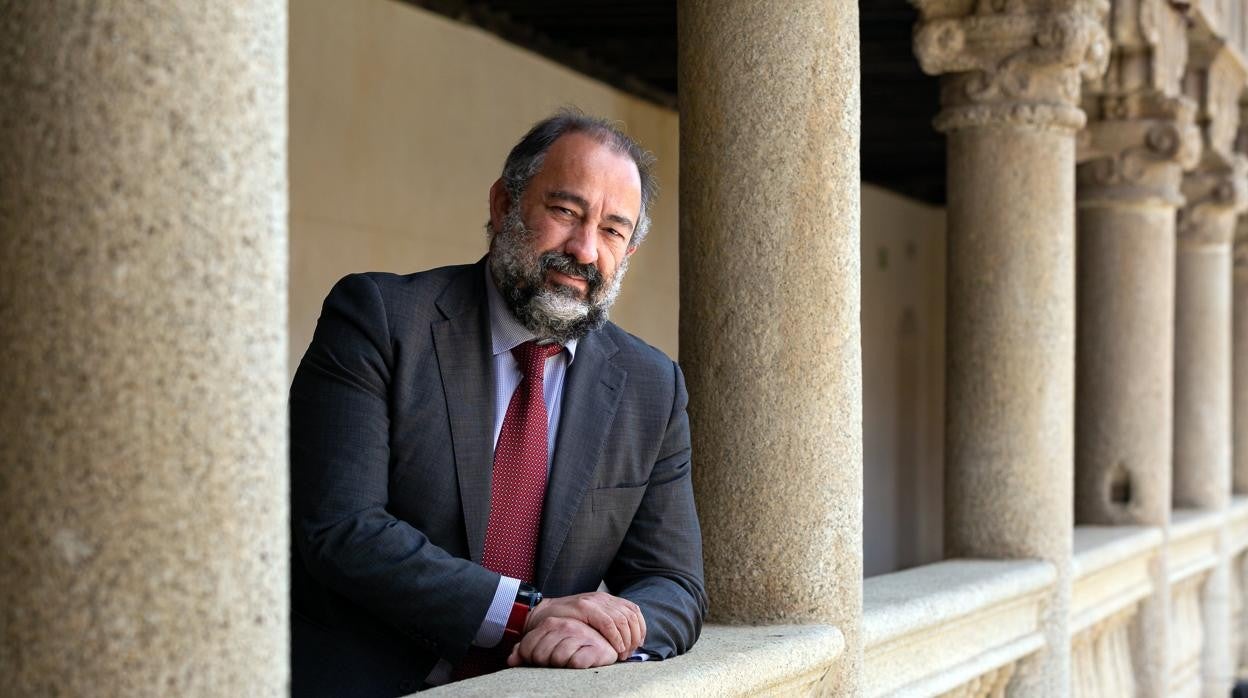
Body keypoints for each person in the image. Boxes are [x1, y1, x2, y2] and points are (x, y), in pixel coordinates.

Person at [289, 110, 706, 696]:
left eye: (613, 230)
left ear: (629, 253)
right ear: (504, 205)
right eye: (566, 212)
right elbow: (341, 527)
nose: (585, 250)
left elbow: (674, 585)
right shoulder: (380, 320)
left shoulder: (652, 385)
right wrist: (522, 613)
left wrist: (611, 632)